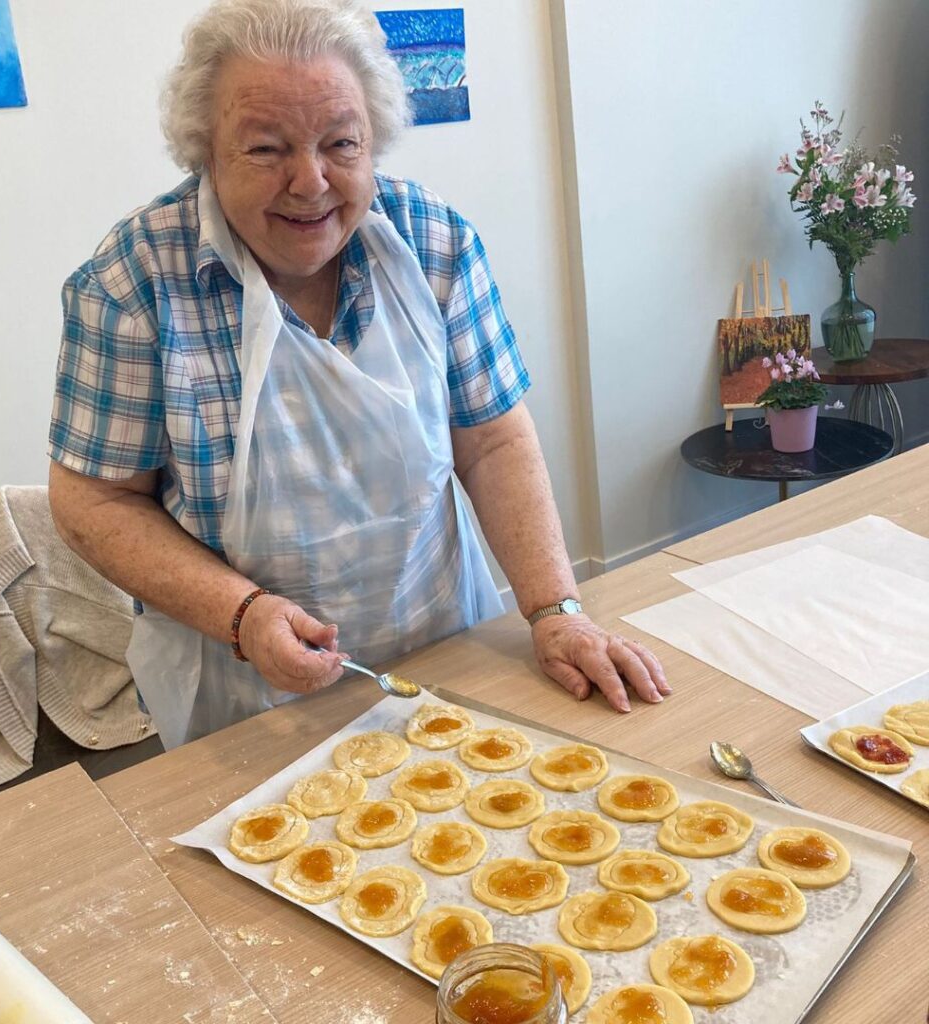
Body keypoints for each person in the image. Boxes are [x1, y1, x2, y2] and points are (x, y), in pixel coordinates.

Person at [48, 0, 669, 748]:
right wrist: (244, 615)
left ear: (374, 138)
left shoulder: (434, 242)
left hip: (446, 651)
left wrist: (555, 611)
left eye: (340, 143)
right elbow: (93, 503)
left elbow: (494, 443)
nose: (310, 183)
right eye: (267, 149)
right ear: (205, 151)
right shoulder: (134, 285)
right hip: (244, 691)